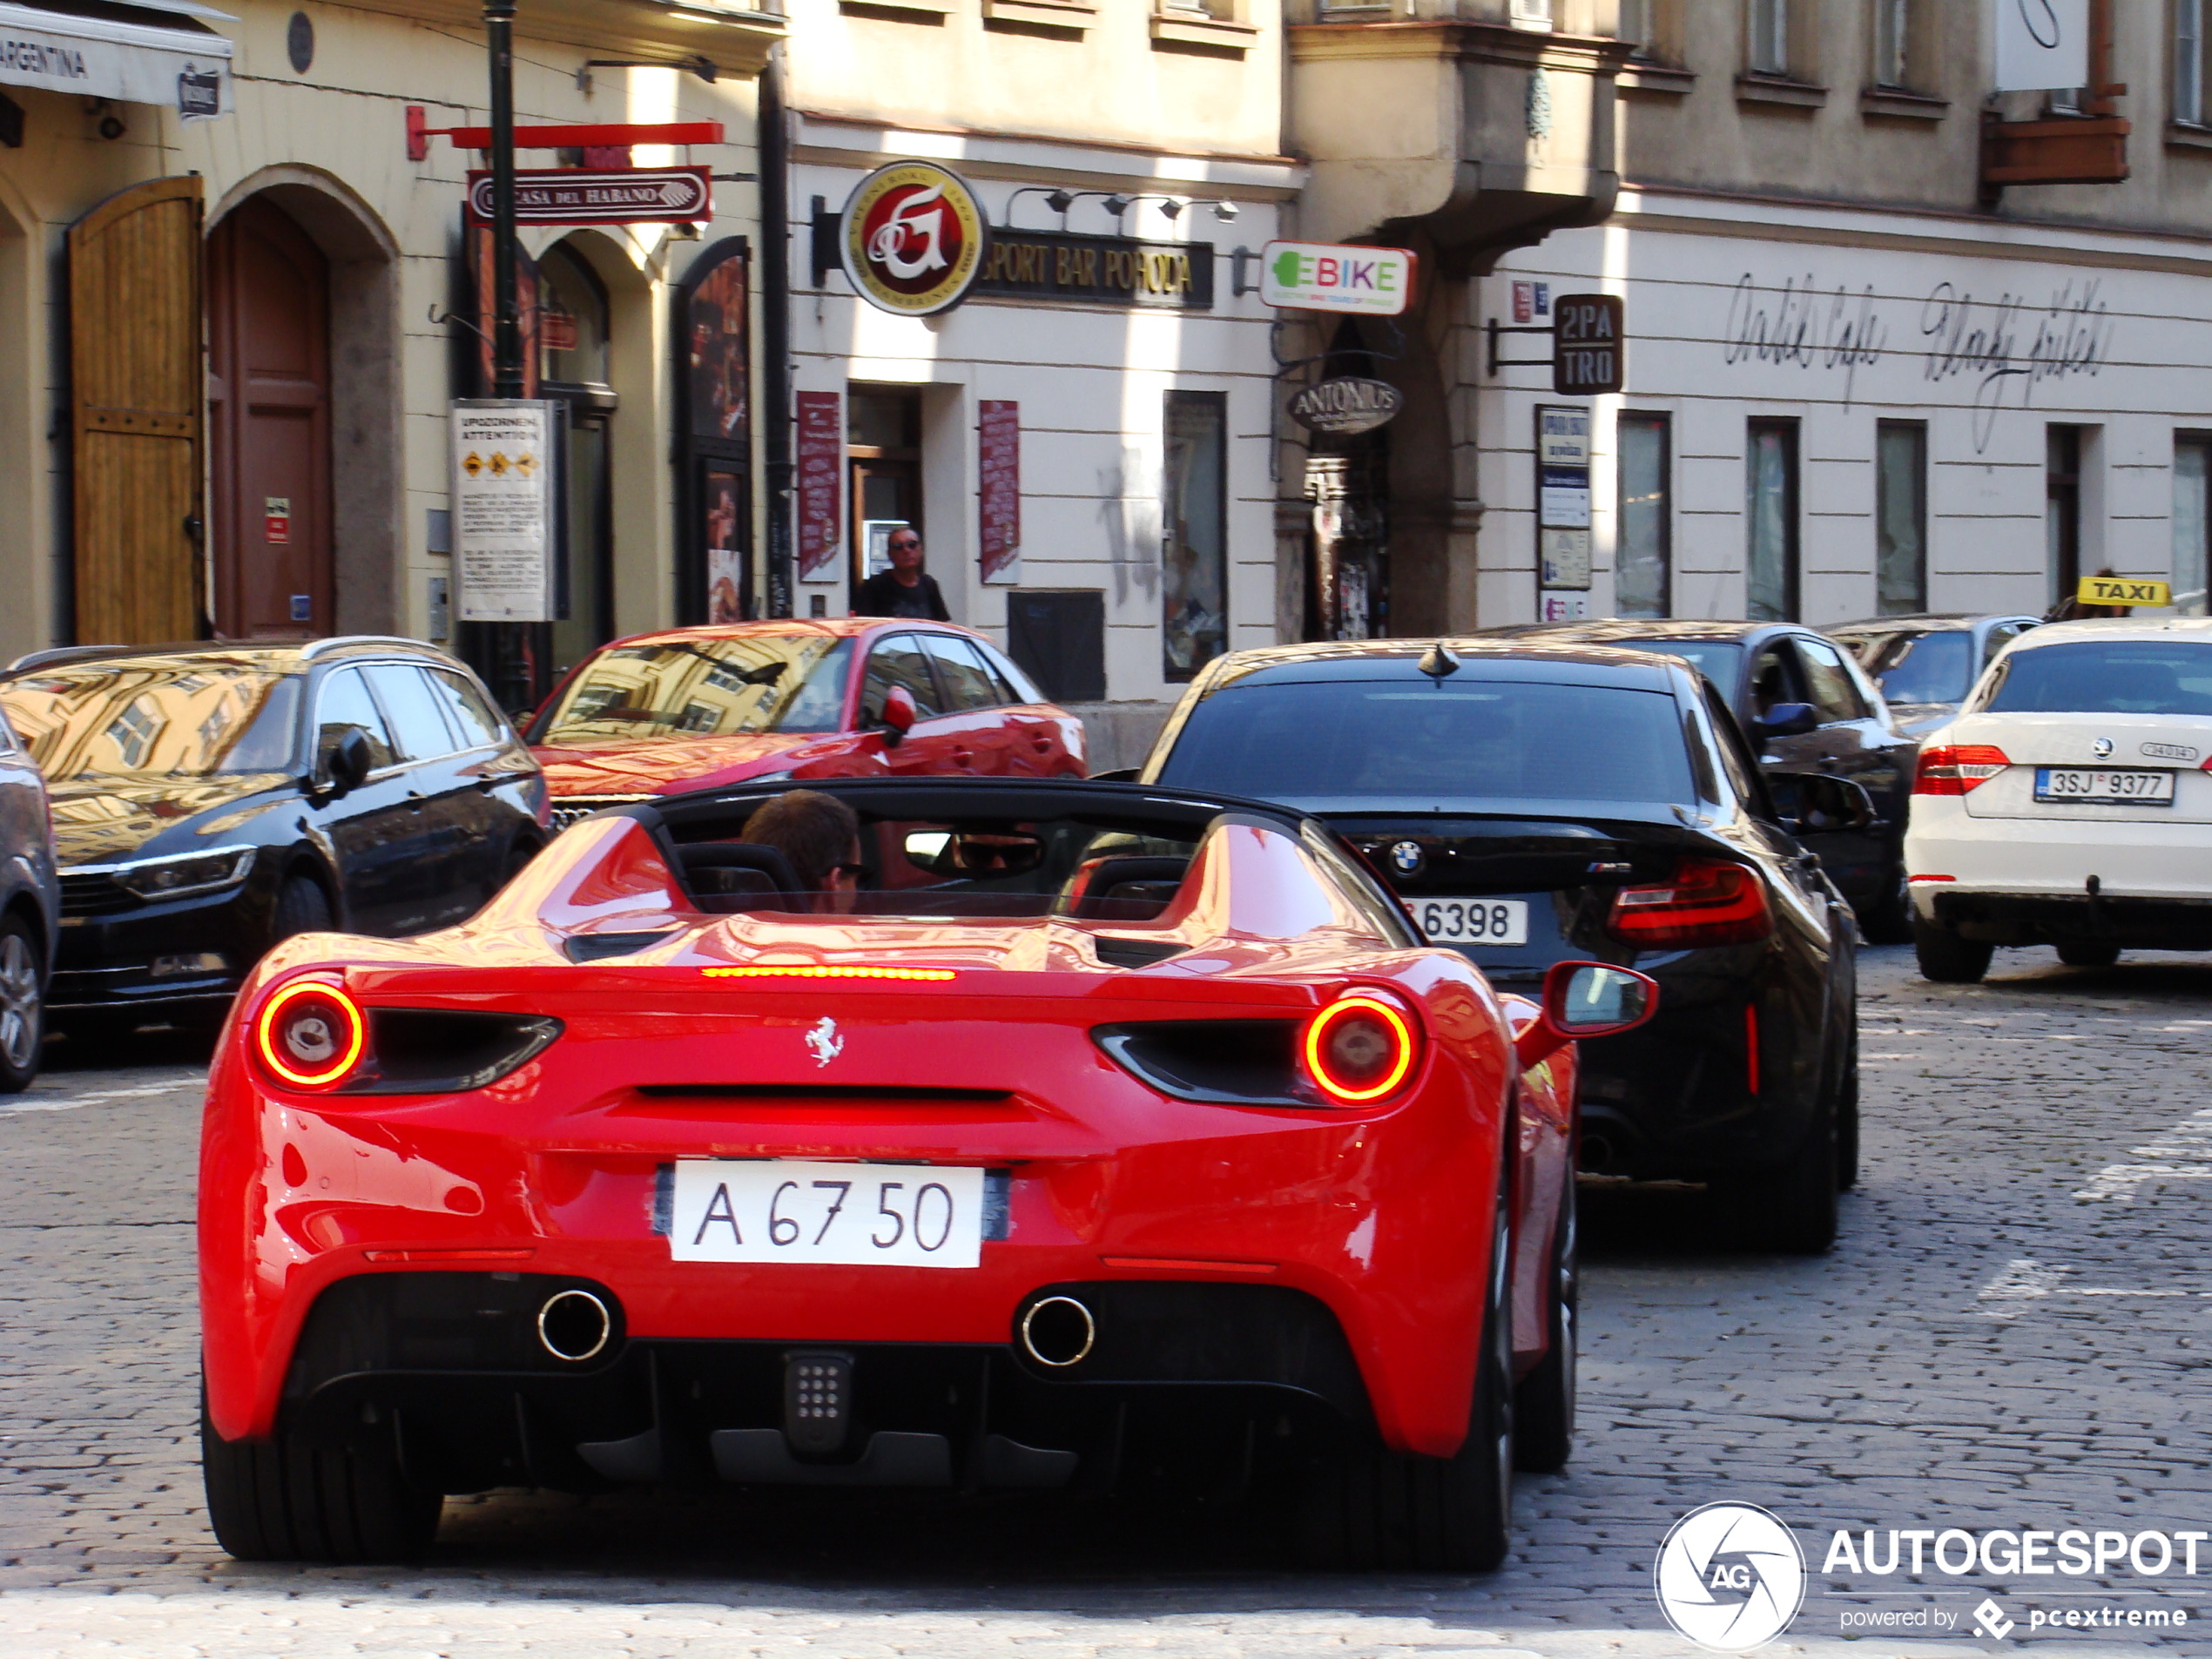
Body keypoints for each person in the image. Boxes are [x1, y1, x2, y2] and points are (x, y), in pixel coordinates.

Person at [740, 789, 864, 914]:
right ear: (836, 884)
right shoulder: (856, 933)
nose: (857, 891)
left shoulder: (726, 928)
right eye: (859, 878)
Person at [853, 527, 950, 620]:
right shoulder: (874, 586)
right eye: (898, 547)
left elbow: (940, 625)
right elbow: (865, 626)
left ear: (921, 549)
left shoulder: (929, 585)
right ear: (890, 554)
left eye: (912, 545)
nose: (906, 550)